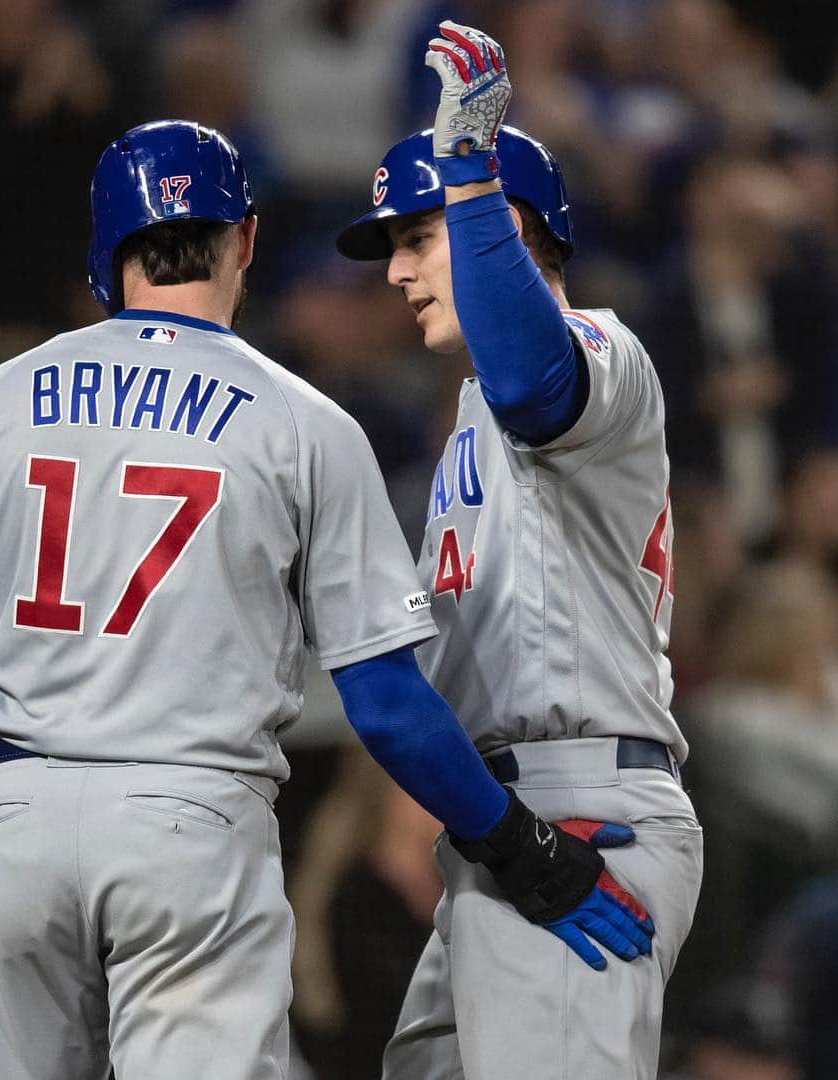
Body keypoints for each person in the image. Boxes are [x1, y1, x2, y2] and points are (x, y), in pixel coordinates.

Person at [0, 119, 652, 1080]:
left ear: (105, 245)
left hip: (14, 814)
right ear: (244, 240)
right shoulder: (304, 422)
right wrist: (512, 842)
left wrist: (59, 716)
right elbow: (381, 700)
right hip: (188, 815)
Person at [336, 22, 704, 1080]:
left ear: (509, 222)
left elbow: (540, 387)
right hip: (506, 830)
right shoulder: (460, 425)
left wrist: (467, 173)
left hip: (583, 807)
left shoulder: (601, 347)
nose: (399, 272)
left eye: (420, 237)